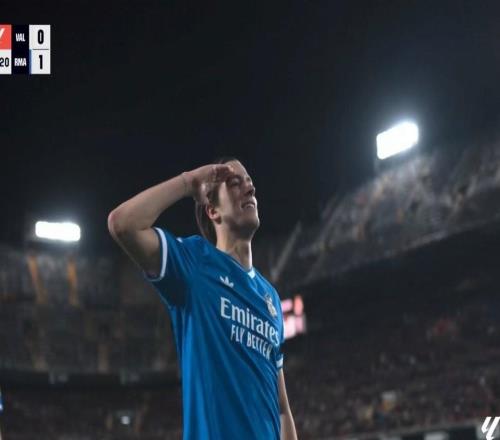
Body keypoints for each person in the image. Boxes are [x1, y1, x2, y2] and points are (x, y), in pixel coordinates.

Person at [107, 157, 298, 439]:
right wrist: (188, 182)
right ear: (213, 211)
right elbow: (123, 224)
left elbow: (282, 408)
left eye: (249, 183)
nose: (249, 189)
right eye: (235, 183)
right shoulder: (193, 264)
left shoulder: (270, 297)